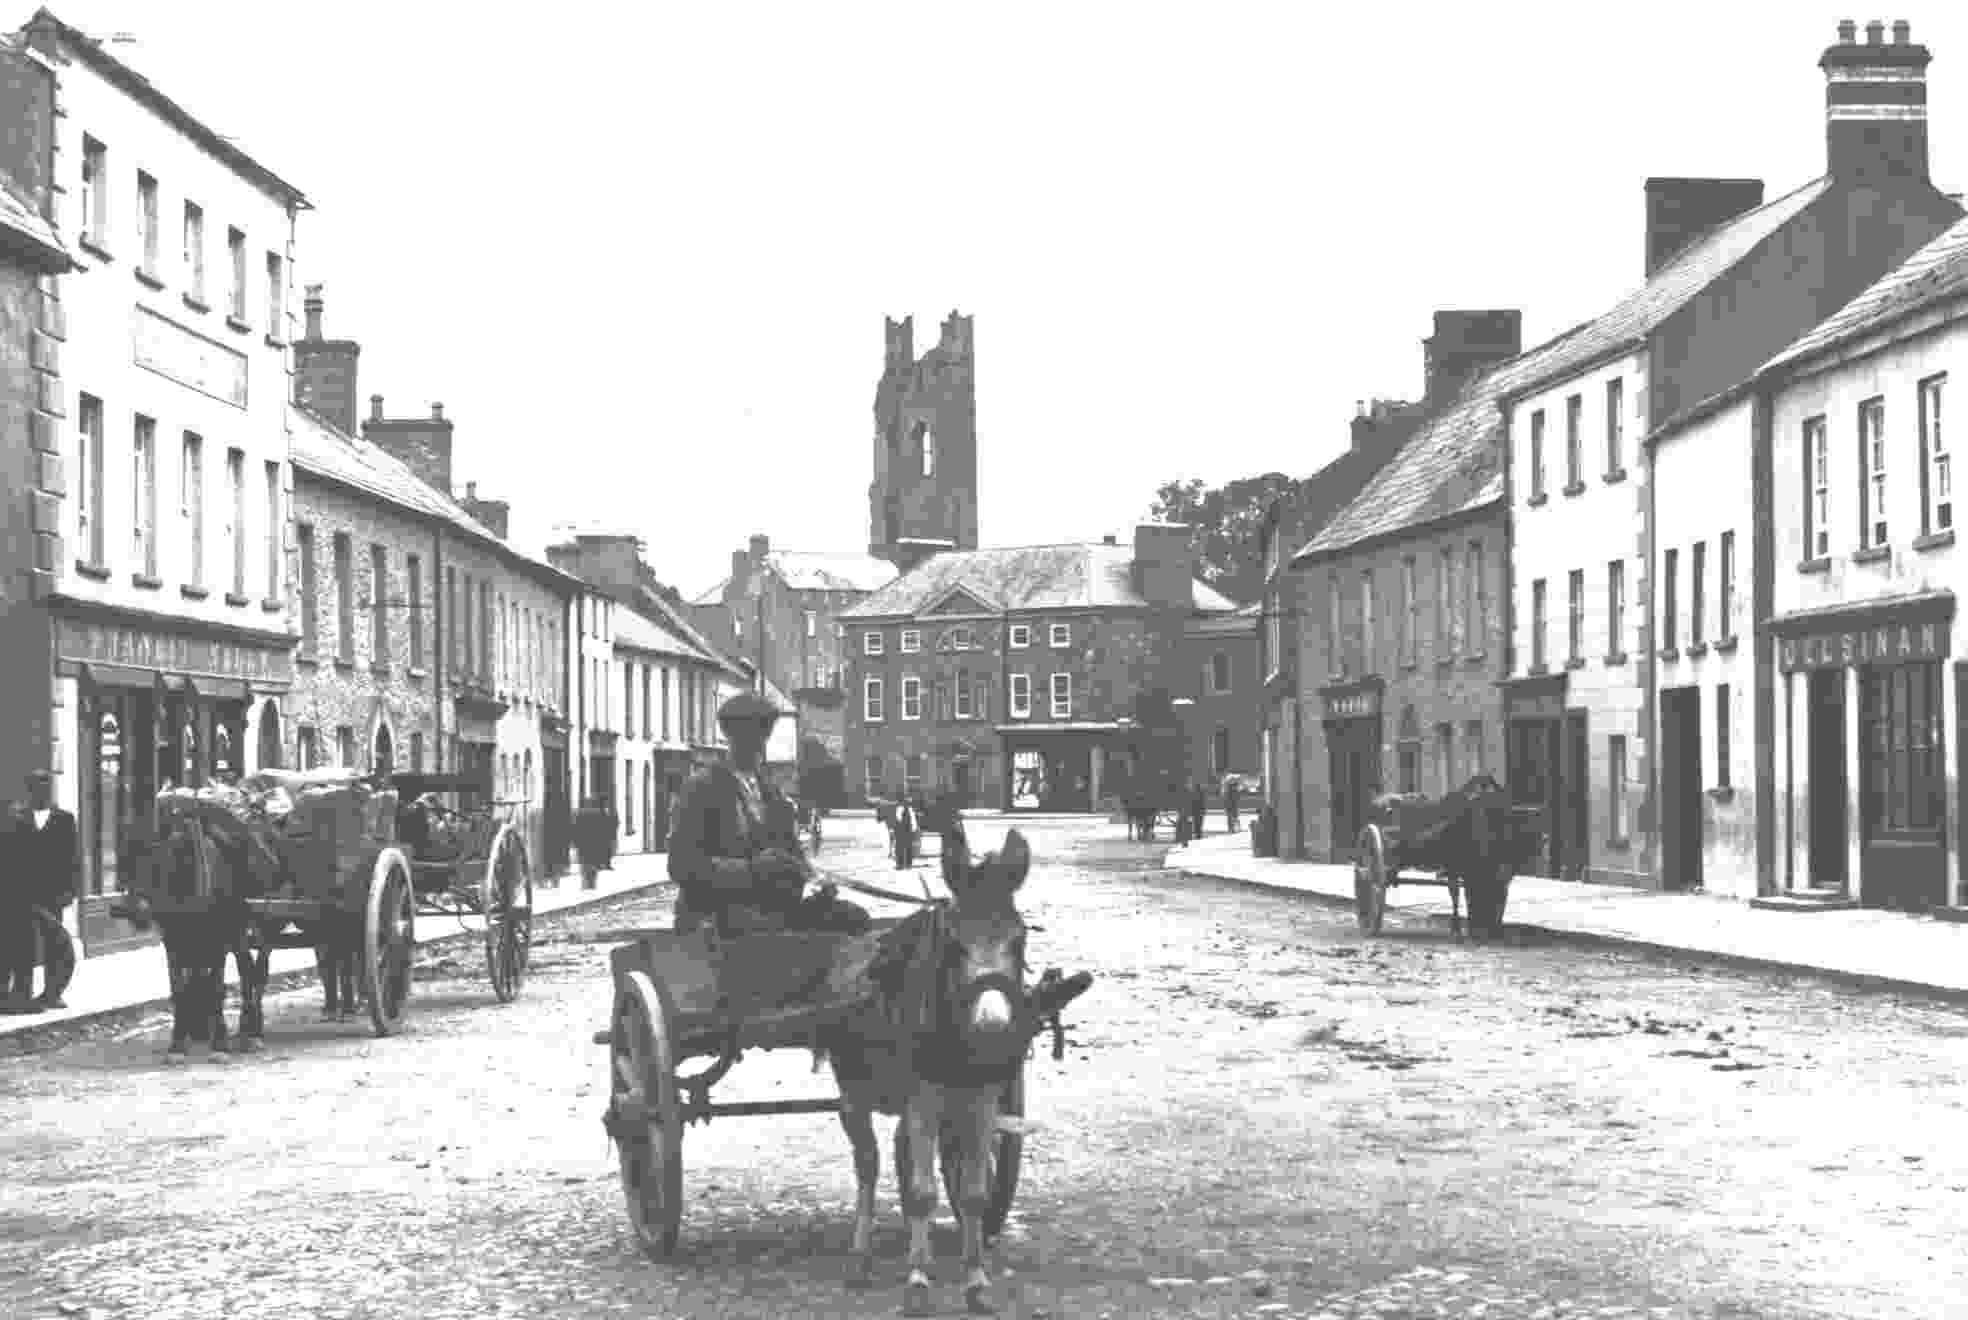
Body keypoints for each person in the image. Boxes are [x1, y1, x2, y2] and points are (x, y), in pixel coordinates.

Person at [667, 693, 868, 935]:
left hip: (769, 910)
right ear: (731, 737)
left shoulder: (770, 791)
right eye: (752, 738)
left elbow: (792, 854)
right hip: (716, 914)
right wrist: (751, 869)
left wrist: (814, 881)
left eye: (764, 736)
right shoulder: (701, 789)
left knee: (853, 919)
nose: (760, 746)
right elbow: (681, 865)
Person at [3, 770, 79, 1013]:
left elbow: (73, 858)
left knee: (55, 944)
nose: (41, 791)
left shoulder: (65, 819)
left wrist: (71, 891)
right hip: (21, 893)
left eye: (45, 786)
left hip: (53, 892)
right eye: (35, 786)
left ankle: (52, 993)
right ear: (29, 789)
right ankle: (22, 994)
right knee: (21, 943)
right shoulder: (17, 818)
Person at [573, 795, 607, 889]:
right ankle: (592, 884)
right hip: (594, 845)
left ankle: (585, 884)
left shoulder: (579, 814)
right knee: (594, 864)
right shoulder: (599, 814)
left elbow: (575, 830)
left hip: (583, 845)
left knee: (584, 864)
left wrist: (575, 843)